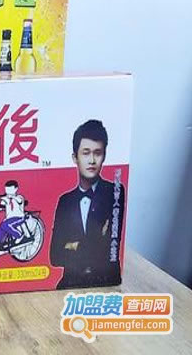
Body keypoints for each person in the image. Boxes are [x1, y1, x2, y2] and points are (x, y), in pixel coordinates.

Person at [50, 120, 125, 289]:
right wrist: (95, 241)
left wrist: (73, 245)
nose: (92, 160)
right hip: (70, 284)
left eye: (97, 153)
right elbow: (54, 256)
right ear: (75, 158)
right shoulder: (65, 201)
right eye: (85, 153)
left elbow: (109, 248)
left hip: (106, 282)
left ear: (104, 156)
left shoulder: (115, 192)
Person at [0, 180, 26, 260]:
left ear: (16, 189)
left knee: (6, 225)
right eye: (7, 190)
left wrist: (11, 197)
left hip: (19, 218)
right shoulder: (6, 199)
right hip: (8, 219)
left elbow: (19, 201)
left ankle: (19, 235)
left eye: (10, 190)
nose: (8, 192)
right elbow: (1, 206)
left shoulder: (19, 197)